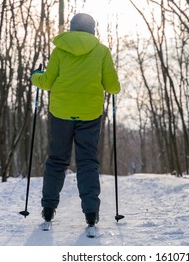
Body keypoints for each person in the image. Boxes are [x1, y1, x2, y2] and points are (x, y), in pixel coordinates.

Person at [31, 13, 121, 227]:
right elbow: (113, 87)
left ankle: (48, 209)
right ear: (93, 30)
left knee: (57, 160)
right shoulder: (101, 52)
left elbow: (46, 82)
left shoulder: (60, 50)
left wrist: (35, 75)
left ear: (71, 28)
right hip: (90, 114)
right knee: (87, 161)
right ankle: (91, 212)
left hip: (61, 112)